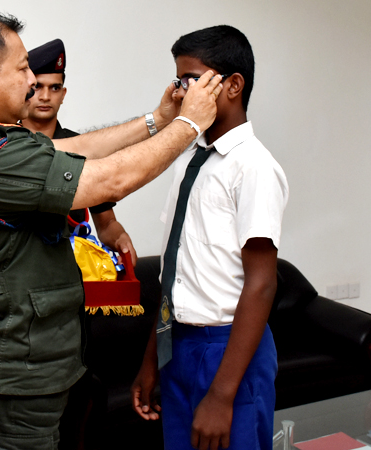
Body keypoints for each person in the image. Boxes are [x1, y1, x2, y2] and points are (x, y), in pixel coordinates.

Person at [0, 11, 223, 448]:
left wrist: (158, 119)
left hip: (0, 365)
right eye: (24, 68)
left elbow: (75, 147)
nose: (31, 80)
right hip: (9, 376)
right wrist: (189, 125)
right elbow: (109, 180)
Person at [130, 25, 289, 450]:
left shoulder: (252, 166)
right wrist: (152, 359)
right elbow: (174, 271)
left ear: (233, 85)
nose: (181, 92)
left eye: (192, 79)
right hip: (177, 344)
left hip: (227, 350)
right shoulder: (189, 160)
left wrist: (222, 395)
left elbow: (262, 283)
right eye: (178, 80)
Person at [21, 39, 137, 265]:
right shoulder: (3, 143)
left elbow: (105, 224)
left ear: (63, 94)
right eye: (37, 87)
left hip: (70, 270)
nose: (45, 96)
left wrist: (120, 238)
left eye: (54, 88)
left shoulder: (83, 146)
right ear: (24, 91)